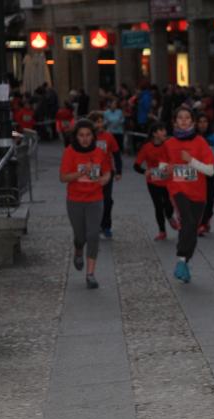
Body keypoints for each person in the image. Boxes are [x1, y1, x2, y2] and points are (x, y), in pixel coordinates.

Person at [160, 106, 214, 283]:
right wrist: (166, 170)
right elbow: (161, 169)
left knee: (191, 227)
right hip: (177, 189)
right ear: (174, 122)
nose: (184, 121)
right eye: (180, 118)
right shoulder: (168, 144)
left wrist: (190, 160)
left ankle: (184, 262)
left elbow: (210, 171)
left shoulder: (200, 142)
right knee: (188, 221)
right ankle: (181, 259)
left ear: (192, 122)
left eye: (187, 118)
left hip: (198, 193)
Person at [59, 119, 112, 289]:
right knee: (80, 236)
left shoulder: (99, 152)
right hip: (75, 200)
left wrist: (105, 178)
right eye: (81, 135)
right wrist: (81, 171)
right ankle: (78, 249)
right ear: (76, 137)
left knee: (93, 235)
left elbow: (107, 171)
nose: (85, 139)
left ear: (93, 136)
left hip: (95, 199)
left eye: (88, 135)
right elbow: (63, 178)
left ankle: (90, 274)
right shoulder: (69, 152)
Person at [134, 122, 178, 241]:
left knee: (169, 205)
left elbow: (174, 161)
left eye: (164, 129)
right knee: (158, 206)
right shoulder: (147, 147)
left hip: (167, 180)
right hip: (153, 181)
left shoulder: (168, 145)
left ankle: (169, 216)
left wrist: (171, 167)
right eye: (161, 130)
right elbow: (136, 165)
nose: (164, 132)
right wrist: (145, 172)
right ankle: (162, 231)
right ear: (154, 134)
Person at [88, 111, 122, 239]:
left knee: (107, 200)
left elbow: (117, 154)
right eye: (97, 121)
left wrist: (119, 171)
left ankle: (106, 226)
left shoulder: (108, 137)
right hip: (92, 171)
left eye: (101, 121)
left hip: (107, 171)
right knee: (93, 200)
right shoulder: (88, 136)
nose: (100, 124)